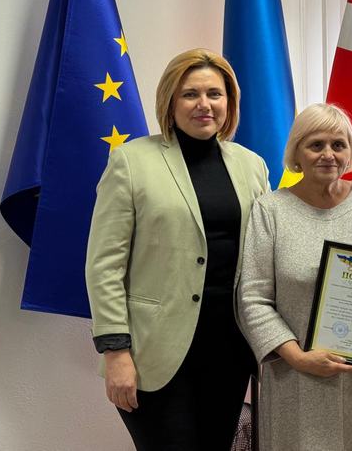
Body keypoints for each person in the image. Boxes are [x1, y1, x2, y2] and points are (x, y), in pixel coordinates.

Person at [85, 48, 269, 450]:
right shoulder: (131, 162)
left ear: (229, 102)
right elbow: (104, 266)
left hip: (229, 351)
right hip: (153, 354)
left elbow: (269, 252)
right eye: (190, 94)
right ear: (170, 102)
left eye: (215, 94)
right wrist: (115, 351)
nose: (204, 104)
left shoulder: (252, 165)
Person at [236, 103, 352, 451]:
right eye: (316, 145)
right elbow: (253, 299)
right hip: (296, 375)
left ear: (350, 152)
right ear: (297, 153)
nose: (328, 154)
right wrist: (299, 358)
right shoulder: (270, 210)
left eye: (338, 145)